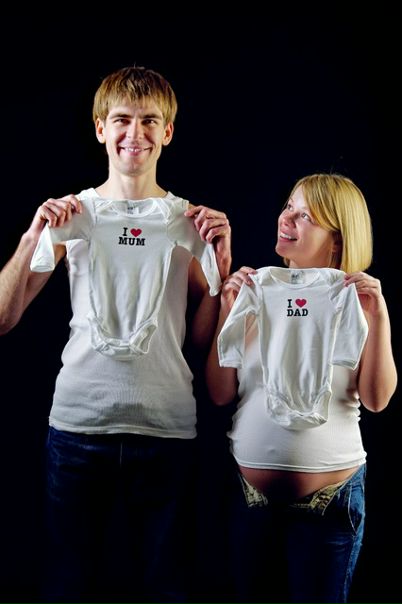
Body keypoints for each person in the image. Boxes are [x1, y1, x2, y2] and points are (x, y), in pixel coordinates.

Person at [0, 65, 231, 604]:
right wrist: (32, 235)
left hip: (166, 430)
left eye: (149, 120)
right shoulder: (73, 214)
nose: (135, 133)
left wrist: (221, 273)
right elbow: (4, 318)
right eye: (123, 119)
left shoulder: (188, 222)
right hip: (79, 427)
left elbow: (201, 342)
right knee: (68, 587)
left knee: (168, 588)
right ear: (101, 128)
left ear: (167, 132)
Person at [206, 173, 397, 604]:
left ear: (337, 239)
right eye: (288, 207)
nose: (286, 219)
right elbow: (219, 393)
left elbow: (377, 399)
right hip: (250, 499)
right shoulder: (256, 290)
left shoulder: (356, 300)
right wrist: (226, 310)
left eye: (305, 216)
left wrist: (379, 317)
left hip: (332, 501)